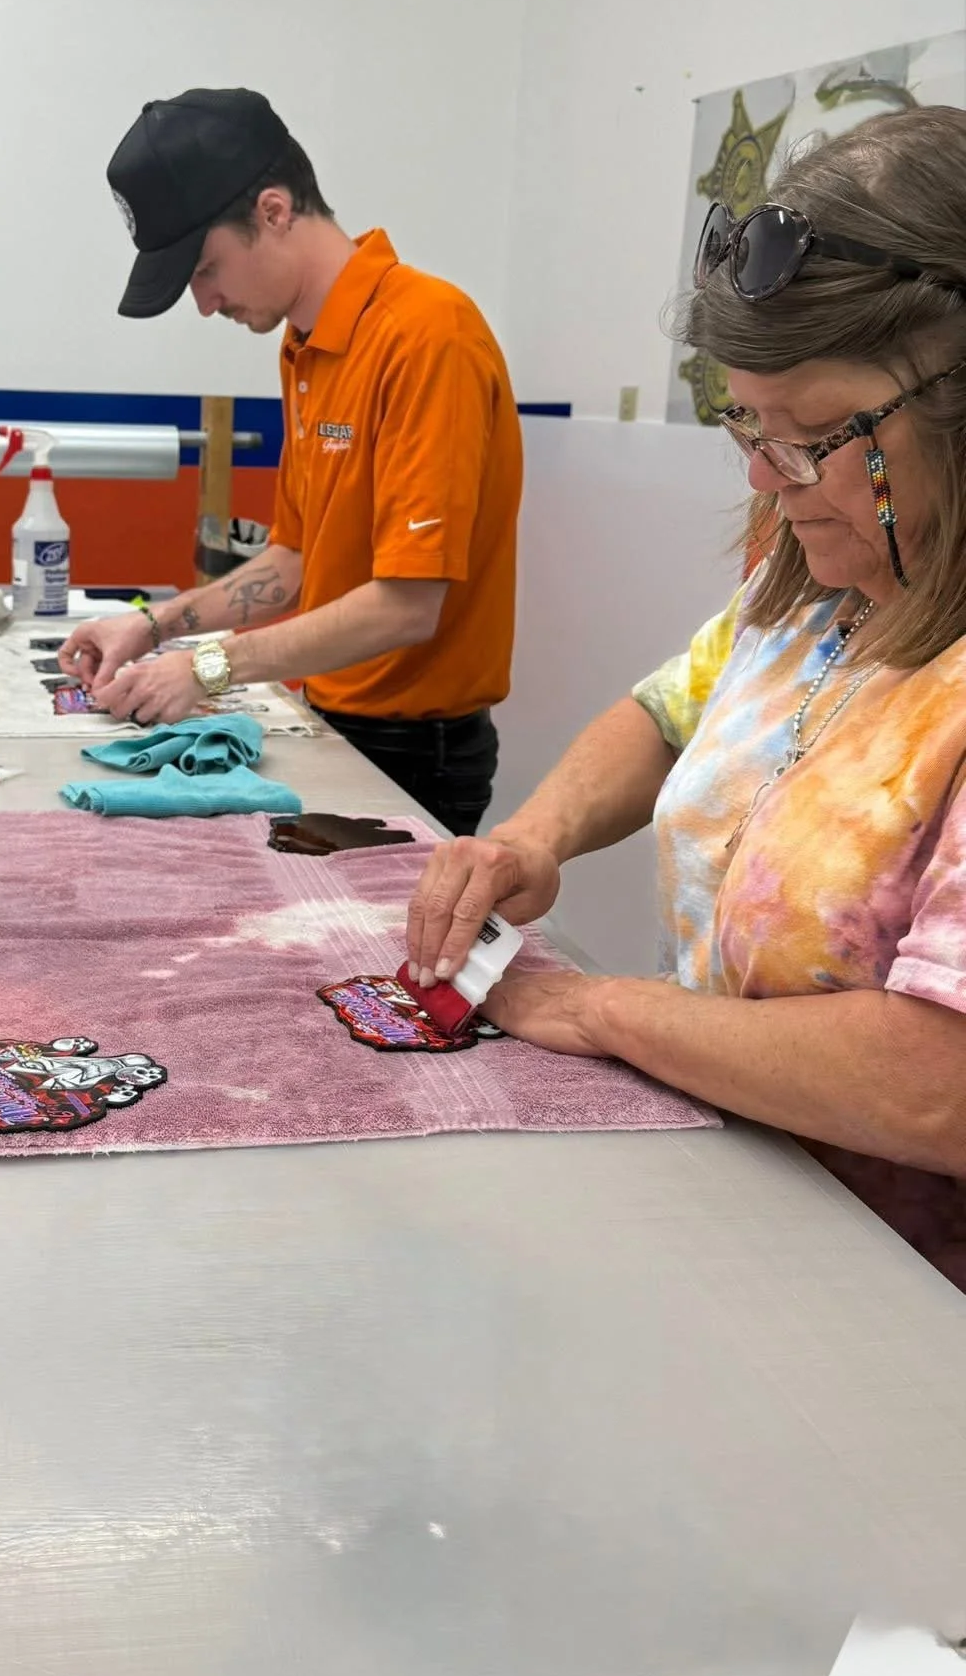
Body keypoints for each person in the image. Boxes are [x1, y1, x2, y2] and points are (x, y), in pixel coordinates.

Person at [405, 106, 966, 1287]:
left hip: (902, 1311)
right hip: (738, 1219)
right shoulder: (817, 578)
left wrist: (603, 1012)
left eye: (813, 433)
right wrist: (530, 838)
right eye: (746, 425)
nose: (767, 476)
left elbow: (937, 1082)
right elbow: (669, 713)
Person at [60, 87, 523, 838]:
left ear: (273, 211)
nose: (205, 304)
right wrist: (154, 626)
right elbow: (295, 559)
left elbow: (408, 605)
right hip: (332, 717)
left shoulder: (428, 334)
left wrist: (207, 668)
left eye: (207, 269)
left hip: (415, 750)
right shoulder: (305, 347)